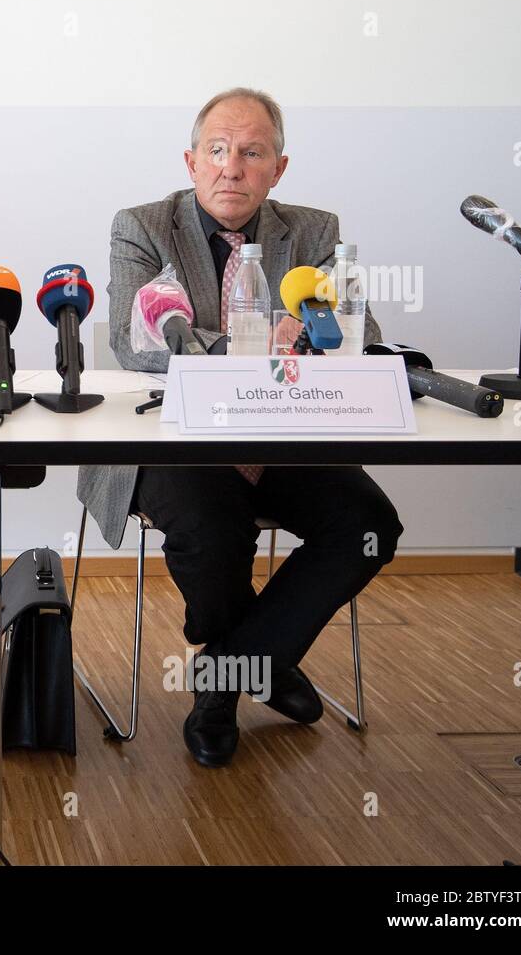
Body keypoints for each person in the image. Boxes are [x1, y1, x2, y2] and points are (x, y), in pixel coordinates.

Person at [77, 88, 403, 767]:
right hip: (171, 439)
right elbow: (135, 343)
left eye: (252, 153)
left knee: (368, 525)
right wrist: (245, 347)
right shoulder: (141, 226)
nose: (233, 167)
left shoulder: (314, 231)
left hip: (285, 433)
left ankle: (224, 675)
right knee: (212, 522)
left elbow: (361, 333)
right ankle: (263, 662)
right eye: (219, 151)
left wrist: (317, 335)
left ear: (277, 168)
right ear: (192, 161)